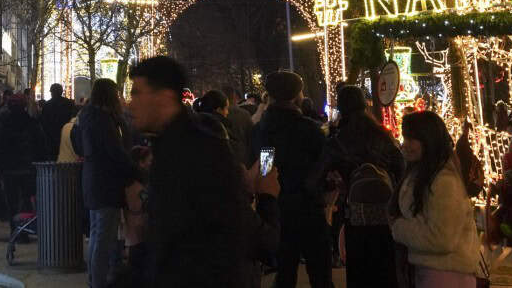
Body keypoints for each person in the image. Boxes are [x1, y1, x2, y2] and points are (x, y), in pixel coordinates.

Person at [127, 57, 278, 288]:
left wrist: (267, 196)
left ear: (164, 97)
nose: (130, 104)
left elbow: (241, 231)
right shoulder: (174, 146)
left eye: (137, 93)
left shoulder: (196, 151)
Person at [252, 70, 331, 288]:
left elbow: (266, 168)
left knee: (285, 272)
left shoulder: (263, 130)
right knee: (320, 272)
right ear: (298, 95)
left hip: (278, 208)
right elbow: (323, 164)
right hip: (309, 207)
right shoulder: (309, 130)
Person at [319, 85, 403, 288]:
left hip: (356, 214)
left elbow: (316, 177)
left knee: (360, 272)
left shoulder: (338, 141)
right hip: (386, 214)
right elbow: (400, 166)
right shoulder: (382, 135)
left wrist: (333, 184)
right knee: (386, 270)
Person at [391, 111, 482, 288]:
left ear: (428, 140)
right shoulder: (422, 173)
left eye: (411, 139)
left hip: (446, 274)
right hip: (432, 271)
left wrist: (398, 228)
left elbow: (441, 237)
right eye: (405, 138)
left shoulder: (444, 181)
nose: (405, 145)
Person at [74, 78, 140, 288]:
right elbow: (115, 151)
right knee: (103, 237)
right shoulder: (103, 120)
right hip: (106, 184)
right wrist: (135, 171)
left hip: (94, 181)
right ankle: (98, 282)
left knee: (97, 234)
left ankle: (94, 280)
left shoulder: (87, 117)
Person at [0, 94, 48, 219]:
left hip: (9, 168)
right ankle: (24, 227)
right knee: (27, 198)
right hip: (28, 167)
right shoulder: (32, 123)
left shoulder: (3, 124)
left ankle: (15, 227)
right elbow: (41, 145)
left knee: (11, 200)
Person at [39, 83, 76, 157]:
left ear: (51, 92)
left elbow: (43, 122)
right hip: (67, 135)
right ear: (61, 91)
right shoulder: (69, 104)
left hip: (51, 136)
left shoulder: (47, 105)